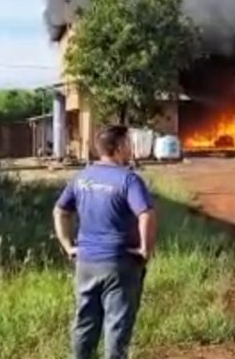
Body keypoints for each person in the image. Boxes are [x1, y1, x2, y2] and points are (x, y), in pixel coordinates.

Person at [53, 125, 158, 359]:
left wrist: (68, 245)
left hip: (86, 262)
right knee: (117, 327)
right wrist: (145, 249)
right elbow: (146, 214)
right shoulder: (129, 180)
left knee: (85, 322)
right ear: (119, 147)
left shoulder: (82, 178)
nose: (131, 148)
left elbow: (60, 211)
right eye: (129, 143)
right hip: (119, 264)